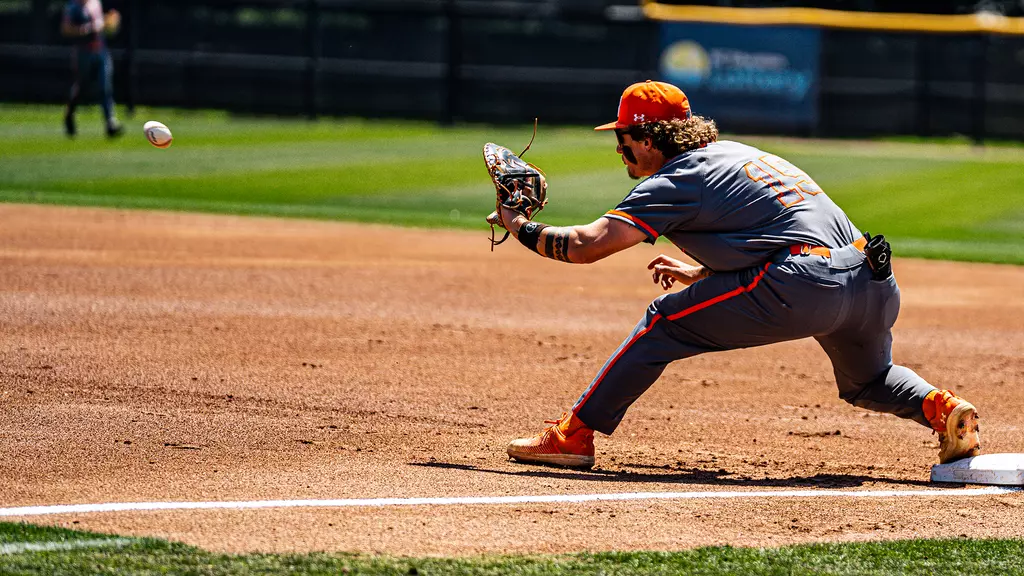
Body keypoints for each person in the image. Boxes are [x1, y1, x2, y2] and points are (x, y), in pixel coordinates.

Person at [500, 80, 981, 469]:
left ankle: (573, 436)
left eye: (623, 142)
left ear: (647, 140)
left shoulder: (676, 179)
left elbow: (587, 246)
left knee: (663, 323)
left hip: (804, 284)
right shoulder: (740, 154)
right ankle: (941, 409)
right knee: (869, 380)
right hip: (872, 280)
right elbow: (777, 228)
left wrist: (517, 223)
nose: (620, 152)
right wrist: (703, 272)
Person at [61, 0, 123, 138]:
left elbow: (105, 25)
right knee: (81, 87)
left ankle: (110, 122)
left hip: (101, 51)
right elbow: (66, 29)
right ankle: (69, 115)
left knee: (105, 86)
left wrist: (111, 23)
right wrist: (88, 29)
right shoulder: (73, 7)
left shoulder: (96, 3)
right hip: (83, 53)